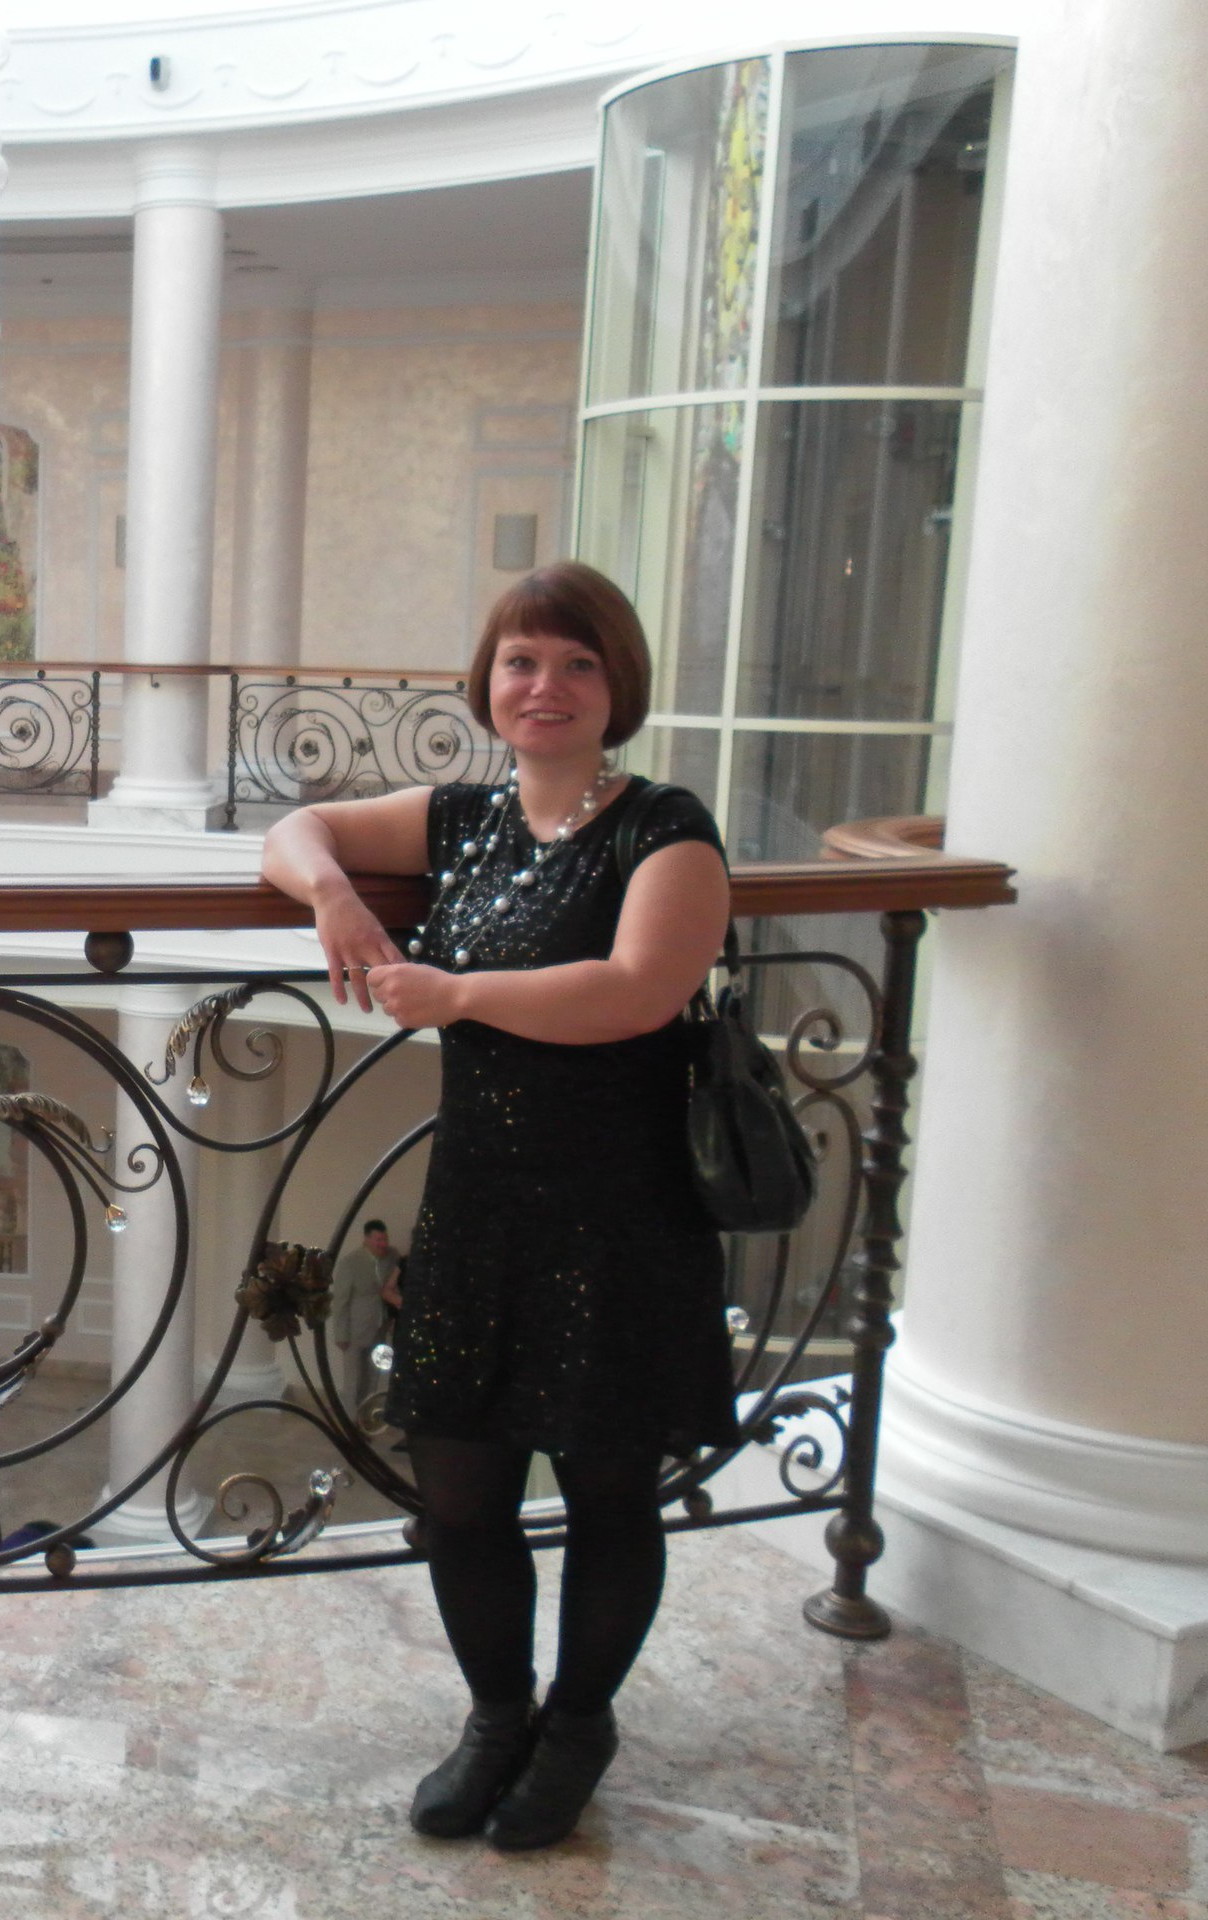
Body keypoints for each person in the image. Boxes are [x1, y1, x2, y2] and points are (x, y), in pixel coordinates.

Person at [260, 560, 735, 1853]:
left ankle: (577, 1726)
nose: (545, 686)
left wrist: (455, 995)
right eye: (522, 661)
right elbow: (296, 830)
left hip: (620, 1218)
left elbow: (635, 991)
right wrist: (334, 892)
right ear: (487, 682)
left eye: (578, 664)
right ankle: (495, 1718)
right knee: (460, 1492)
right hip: (478, 1210)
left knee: (606, 1493)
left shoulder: (666, 827)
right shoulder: (462, 820)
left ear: (618, 687)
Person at [328, 1218, 399, 1411]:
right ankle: (350, 1417)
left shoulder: (392, 1256)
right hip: (355, 1329)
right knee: (353, 1377)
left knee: (375, 1373)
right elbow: (340, 1301)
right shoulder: (350, 1262)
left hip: (381, 1326)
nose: (382, 1244)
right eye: (378, 1240)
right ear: (367, 1239)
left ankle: (368, 1415)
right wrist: (341, 1334)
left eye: (385, 1239)